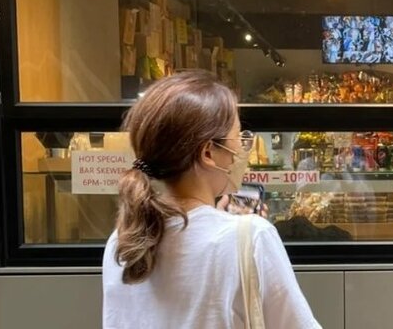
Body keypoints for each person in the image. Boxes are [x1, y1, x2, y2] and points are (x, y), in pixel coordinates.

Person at [102, 70, 322, 329]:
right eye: (239, 138)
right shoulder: (251, 237)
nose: (242, 150)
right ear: (208, 152)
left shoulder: (123, 241)